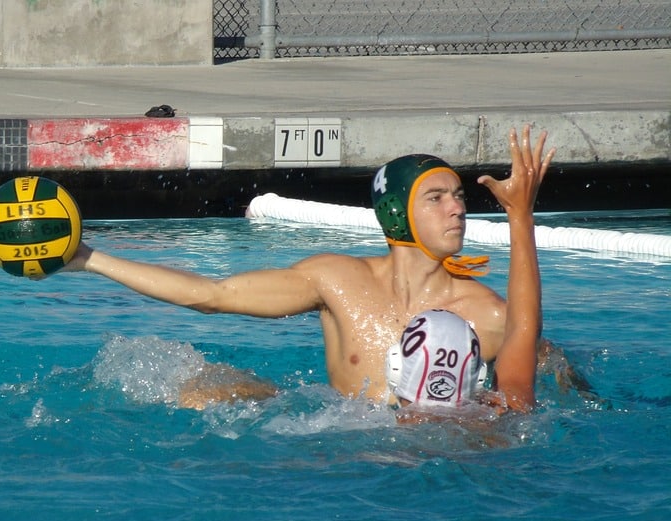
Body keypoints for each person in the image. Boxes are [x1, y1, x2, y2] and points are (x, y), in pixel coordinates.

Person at [62, 125, 555, 408]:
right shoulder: (337, 280)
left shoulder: (486, 314)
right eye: (437, 197)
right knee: (201, 391)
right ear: (396, 212)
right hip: (341, 437)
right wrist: (91, 259)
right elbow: (213, 296)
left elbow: (521, 393)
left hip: (433, 450)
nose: (458, 209)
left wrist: (521, 216)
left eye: (459, 196)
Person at [388, 126, 551, 414]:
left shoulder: (361, 433)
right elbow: (523, 329)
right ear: (479, 378)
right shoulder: (499, 417)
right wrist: (520, 212)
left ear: (394, 369)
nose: (458, 209)